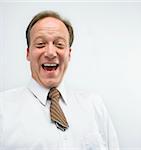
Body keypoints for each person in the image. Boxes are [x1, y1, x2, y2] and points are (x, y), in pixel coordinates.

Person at [0, 10, 120, 150]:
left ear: (69, 54)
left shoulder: (94, 106)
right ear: (28, 53)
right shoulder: (3, 109)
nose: (50, 52)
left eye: (59, 44)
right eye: (40, 44)